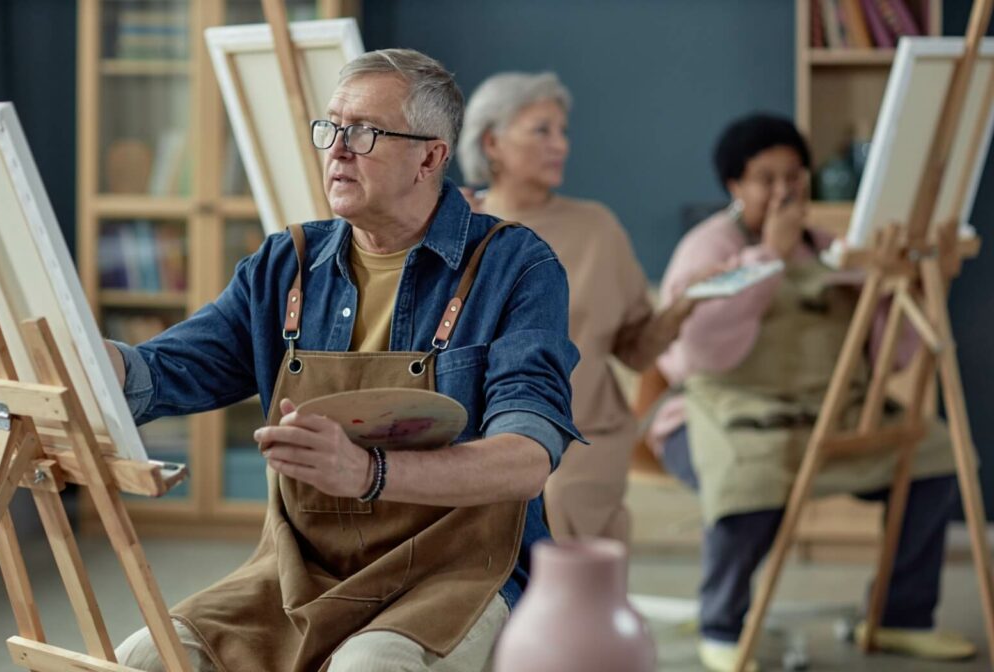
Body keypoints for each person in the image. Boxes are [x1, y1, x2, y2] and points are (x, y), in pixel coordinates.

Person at [108, 49, 582, 672]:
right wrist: (87, 363)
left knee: (370, 665)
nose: (336, 149)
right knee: (143, 658)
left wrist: (368, 472)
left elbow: (526, 460)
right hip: (299, 573)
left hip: (456, 573)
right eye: (330, 127)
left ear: (431, 157)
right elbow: (163, 373)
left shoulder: (516, 267)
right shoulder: (286, 263)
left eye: (363, 133)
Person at [646, 113, 975, 672]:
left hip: (830, 414)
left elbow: (886, 357)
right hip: (724, 412)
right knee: (752, 476)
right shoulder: (709, 247)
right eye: (766, 179)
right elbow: (699, 355)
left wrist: (911, 288)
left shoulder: (833, 249)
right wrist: (768, 259)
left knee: (936, 454)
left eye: (794, 176)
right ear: (734, 186)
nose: (783, 192)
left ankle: (898, 616)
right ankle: (722, 624)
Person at [457, 71, 694, 544]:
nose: (560, 144)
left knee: (553, 500)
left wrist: (686, 306)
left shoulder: (597, 228)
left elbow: (635, 352)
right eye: (541, 130)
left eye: (562, 131)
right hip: (476, 435)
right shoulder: (459, 227)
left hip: (583, 436)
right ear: (492, 143)